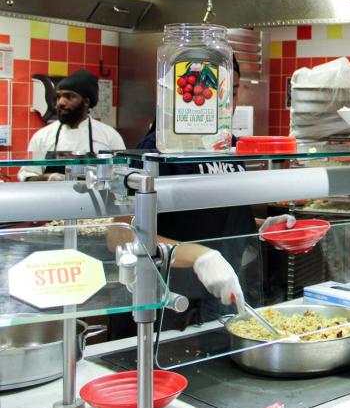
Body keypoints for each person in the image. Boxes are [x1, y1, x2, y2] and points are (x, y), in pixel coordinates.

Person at [109, 56, 293, 338]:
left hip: (219, 304)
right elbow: (120, 235)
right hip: (168, 310)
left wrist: (259, 226)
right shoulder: (158, 148)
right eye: (215, 94)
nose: (225, 105)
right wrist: (200, 257)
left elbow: (208, 217)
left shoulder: (229, 145)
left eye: (231, 92)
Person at [18, 69, 125, 181]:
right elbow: (27, 178)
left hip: (94, 199)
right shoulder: (42, 137)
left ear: (86, 102)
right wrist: (48, 178)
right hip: (52, 198)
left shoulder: (109, 136)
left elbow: (121, 179)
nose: (61, 102)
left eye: (69, 97)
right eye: (58, 97)